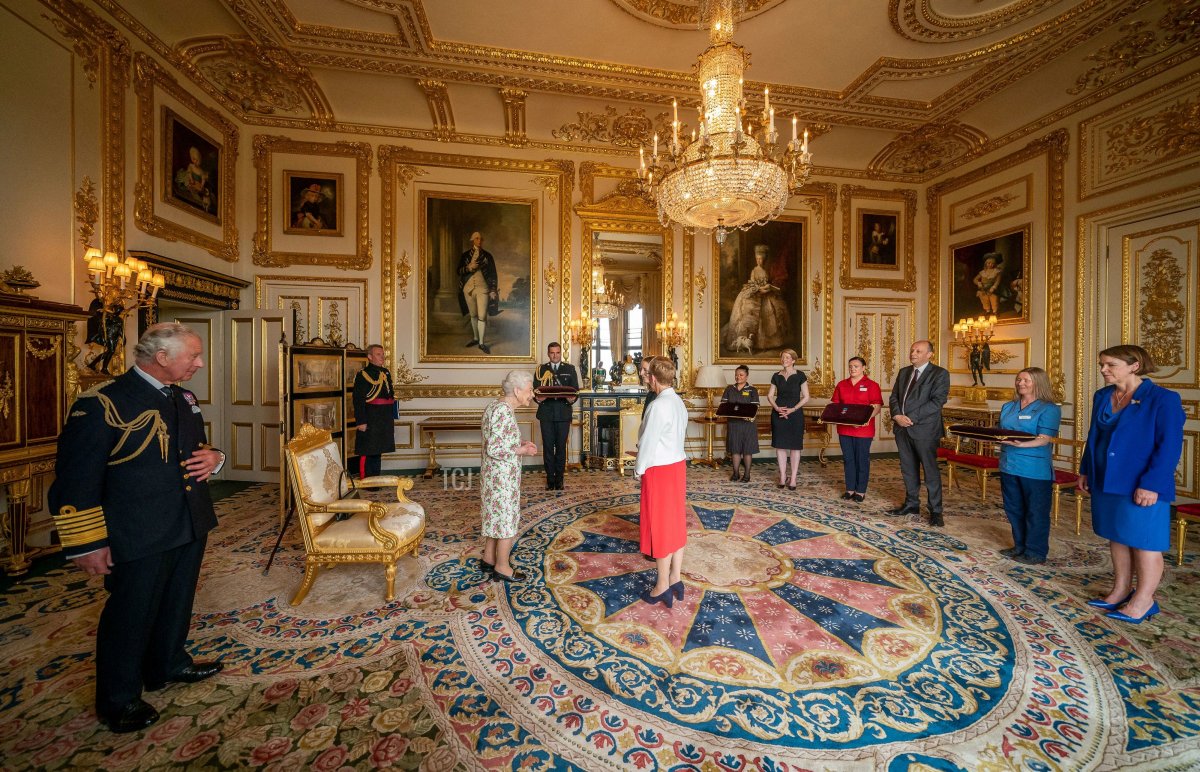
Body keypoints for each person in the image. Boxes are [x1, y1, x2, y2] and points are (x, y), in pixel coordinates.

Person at [48, 323, 225, 733]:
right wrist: (87, 543)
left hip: (189, 520)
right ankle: (119, 699)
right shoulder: (101, 403)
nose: (199, 363)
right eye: (193, 356)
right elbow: (76, 479)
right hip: (138, 529)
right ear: (162, 357)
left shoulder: (183, 396)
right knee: (130, 613)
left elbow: (194, 450)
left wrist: (217, 457)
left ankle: (167, 663)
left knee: (177, 600)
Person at [1078, 345, 1184, 624]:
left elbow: (1169, 447)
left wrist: (1152, 484)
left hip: (1141, 482)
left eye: (1110, 365)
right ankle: (1120, 589)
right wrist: (1086, 470)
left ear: (1134, 365)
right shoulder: (1102, 396)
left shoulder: (1163, 399)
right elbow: (1094, 437)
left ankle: (1144, 600)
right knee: (1117, 536)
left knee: (1145, 541)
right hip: (1105, 478)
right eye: (1102, 364)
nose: (1103, 370)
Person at [635, 357, 688, 607]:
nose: (647, 379)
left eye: (648, 376)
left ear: (654, 378)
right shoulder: (678, 402)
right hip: (677, 466)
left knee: (660, 526)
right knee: (676, 521)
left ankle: (662, 585)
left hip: (659, 470)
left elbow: (648, 443)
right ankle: (676, 578)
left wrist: (638, 469)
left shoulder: (658, 405)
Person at [997, 367, 1061, 565]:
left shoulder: (1049, 408)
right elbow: (1001, 431)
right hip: (1009, 464)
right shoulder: (1009, 406)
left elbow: (1044, 439)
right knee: (1014, 508)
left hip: (1034, 469)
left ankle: (1035, 551)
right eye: (1018, 380)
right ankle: (1020, 545)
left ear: (1037, 383)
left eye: (1025, 380)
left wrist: (1021, 444)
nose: (1020, 383)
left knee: (1036, 510)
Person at [480, 370, 539, 583]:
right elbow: (494, 449)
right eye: (530, 389)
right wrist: (521, 451)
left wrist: (520, 444)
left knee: (495, 516)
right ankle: (502, 567)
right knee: (505, 520)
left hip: (494, 477)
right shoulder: (503, 411)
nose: (532, 394)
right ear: (517, 390)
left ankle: (488, 558)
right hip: (501, 479)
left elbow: (498, 440)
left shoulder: (495, 406)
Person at [887, 340, 951, 526]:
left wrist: (910, 417)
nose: (913, 353)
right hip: (902, 428)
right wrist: (897, 415)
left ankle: (936, 511)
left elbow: (937, 401)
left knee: (930, 471)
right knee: (908, 469)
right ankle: (911, 503)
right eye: (912, 349)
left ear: (929, 354)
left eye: (918, 351)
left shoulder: (939, 374)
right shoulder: (904, 372)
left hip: (925, 430)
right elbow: (894, 397)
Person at [830, 356, 883, 502]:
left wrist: (862, 420)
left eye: (856, 366)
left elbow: (877, 407)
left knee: (861, 459)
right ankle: (850, 489)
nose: (852, 369)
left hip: (864, 429)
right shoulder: (841, 385)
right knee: (848, 459)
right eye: (850, 366)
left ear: (864, 368)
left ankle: (860, 490)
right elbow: (835, 406)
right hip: (845, 429)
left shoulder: (872, 385)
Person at [721, 244, 791, 352]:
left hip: (766, 293)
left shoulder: (766, 271)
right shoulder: (754, 270)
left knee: (770, 312)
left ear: (764, 260)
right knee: (749, 312)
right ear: (755, 259)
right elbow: (753, 282)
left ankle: (766, 342)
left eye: (761, 259)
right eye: (758, 259)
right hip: (756, 292)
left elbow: (768, 281)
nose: (759, 261)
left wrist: (767, 288)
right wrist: (758, 288)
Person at [534, 341, 578, 491]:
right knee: (547, 448)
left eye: (557, 352)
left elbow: (575, 391)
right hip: (546, 414)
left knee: (560, 448)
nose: (555, 355)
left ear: (561, 353)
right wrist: (538, 398)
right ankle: (549, 479)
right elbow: (536, 391)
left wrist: (572, 399)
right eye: (552, 353)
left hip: (563, 414)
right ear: (548, 354)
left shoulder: (570, 369)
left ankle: (559, 479)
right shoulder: (541, 369)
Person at [767, 349, 809, 490]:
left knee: (795, 447)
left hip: (795, 413)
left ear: (793, 360)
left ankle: (794, 478)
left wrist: (792, 409)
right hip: (779, 413)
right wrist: (777, 408)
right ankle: (783, 476)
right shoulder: (776, 376)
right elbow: (770, 396)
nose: (784, 359)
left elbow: (806, 396)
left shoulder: (800, 375)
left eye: (787, 357)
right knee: (780, 445)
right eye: (783, 357)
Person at [352, 344, 396, 479]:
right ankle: (367, 480)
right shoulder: (363, 374)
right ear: (370, 357)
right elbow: (358, 399)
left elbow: (389, 396)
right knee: (368, 449)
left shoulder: (385, 373)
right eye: (378, 354)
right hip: (370, 416)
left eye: (382, 354)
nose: (382, 357)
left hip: (383, 417)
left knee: (378, 449)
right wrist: (361, 421)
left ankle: (375, 479)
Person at [457, 231, 499, 354]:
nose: (479, 241)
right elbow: (458, 271)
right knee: (473, 315)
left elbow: (493, 274)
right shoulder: (465, 256)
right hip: (468, 289)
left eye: (481, 238)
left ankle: (481, 342)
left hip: (483, 288)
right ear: (472, 240)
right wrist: (468, 267)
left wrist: (492, 290)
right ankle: (475, 338)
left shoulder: (487, 256)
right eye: (476, 238)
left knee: (482, 316)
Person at [720, 364, 760, 483]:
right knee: (735, 449)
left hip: (748, 425)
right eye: (736, 375)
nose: (738, 377)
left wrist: (749, 415)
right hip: (733, 424)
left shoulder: (752, 390)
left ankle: (747, 475)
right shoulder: (729, 389)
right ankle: (736, 473)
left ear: (747, 376)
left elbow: (755, 407)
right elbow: (723, 405)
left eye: (741, 375)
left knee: (747, 450)